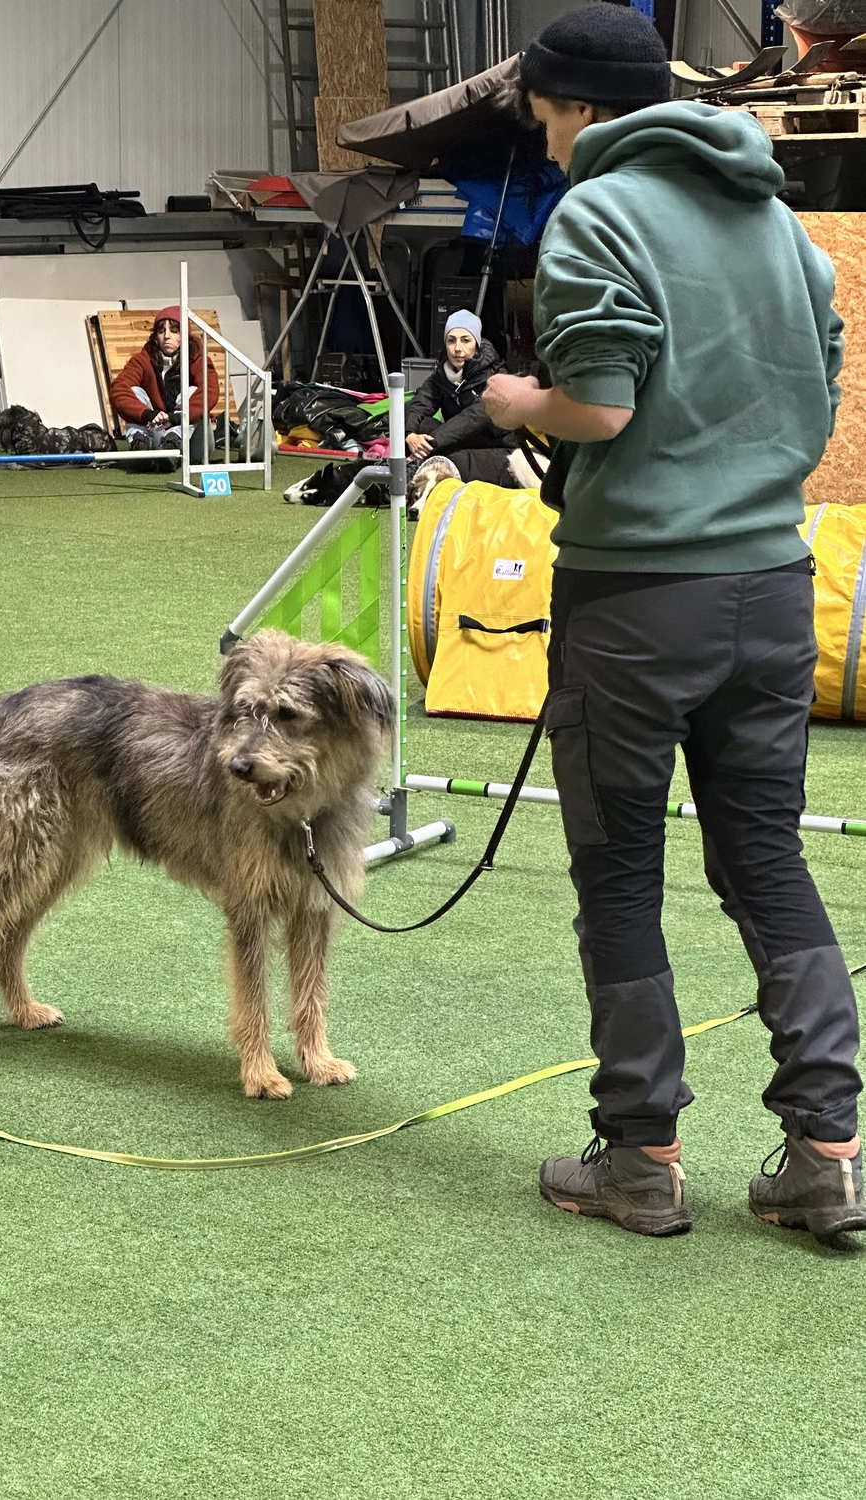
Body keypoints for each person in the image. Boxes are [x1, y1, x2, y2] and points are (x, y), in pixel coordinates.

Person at [481, 2, 863, 1243]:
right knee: (768, 860)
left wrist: (510, 397)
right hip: (774, 587)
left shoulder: (599, 211)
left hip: (641, 595)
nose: (545, 146)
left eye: (544, 119)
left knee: (621, 875)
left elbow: (599, 407)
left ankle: (639, 1158)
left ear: (583, 108)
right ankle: (830, 1156)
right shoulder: (781, 223)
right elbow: (823, 369)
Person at [405, 309, 519, 487]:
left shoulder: (497, 378)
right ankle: (407, 469)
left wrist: (428, 445)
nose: (457, 348)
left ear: (477, 344)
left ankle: (415, 467)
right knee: (422, 425)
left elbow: (472, 419)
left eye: (466, 340)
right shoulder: (442, 376)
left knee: (454, 460)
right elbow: (419, 403)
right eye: (451, 341)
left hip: (499, 450)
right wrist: (410, 434)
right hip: (462, 443)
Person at [110, 306, 220, 465]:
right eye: (161, 331)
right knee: (134, 391)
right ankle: (141, 446)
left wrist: (176, 418)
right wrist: (148, 414)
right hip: (159, 434)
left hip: (195, 443)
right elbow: (118, 390)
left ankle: (174, 442)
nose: (167, 336)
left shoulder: (198, 358)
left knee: (193, 391)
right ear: (155, 337)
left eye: (175, 330)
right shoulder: (142, 359)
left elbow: (210, 392)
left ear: (185, 336)